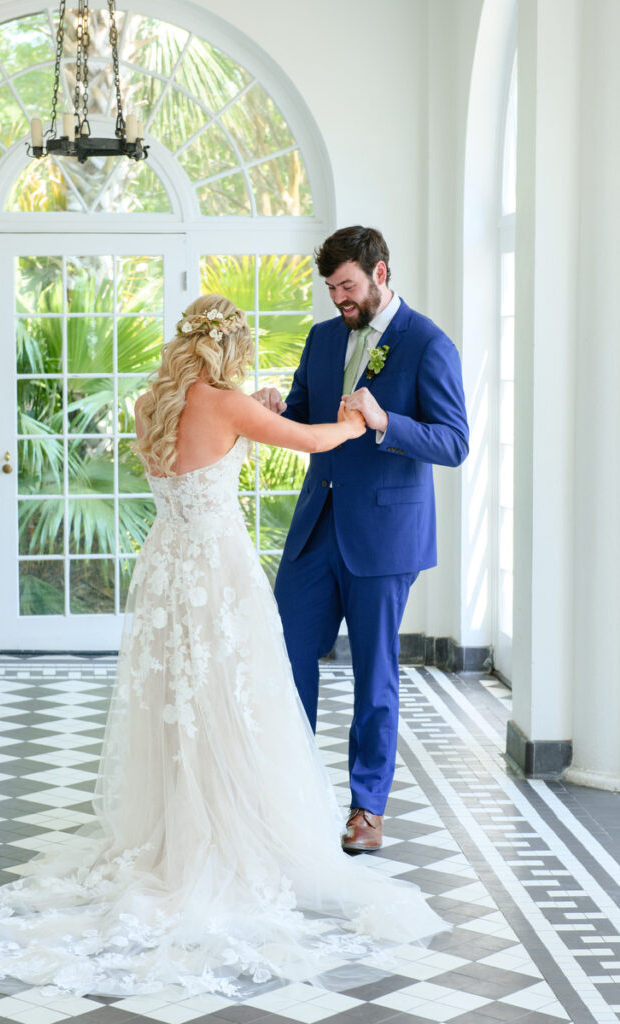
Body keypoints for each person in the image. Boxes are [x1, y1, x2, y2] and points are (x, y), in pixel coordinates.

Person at [0, 293, 447, 1000]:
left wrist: (258, 408)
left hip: (165, 571)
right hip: (217, 572)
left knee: (173, 703)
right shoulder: (225, 404)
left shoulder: (150, 403)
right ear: (227, 348)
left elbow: (209, 444)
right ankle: (229, 835)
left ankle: (173, 827)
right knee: (229, 700)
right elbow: (310, 443)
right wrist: (354, 417)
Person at [256, 226, 469, 853]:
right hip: (315, 530)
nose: (338, 300)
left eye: (347, 286)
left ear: (380, 274)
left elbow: (454, 442)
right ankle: (287, 795)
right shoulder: (323, 338)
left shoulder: (428, 343)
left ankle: (366, 809)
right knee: (285, 659)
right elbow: (301, 416)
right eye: (330, 289)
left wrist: (386, 421)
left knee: (375, 676)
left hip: (385, 536)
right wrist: (273, 408)